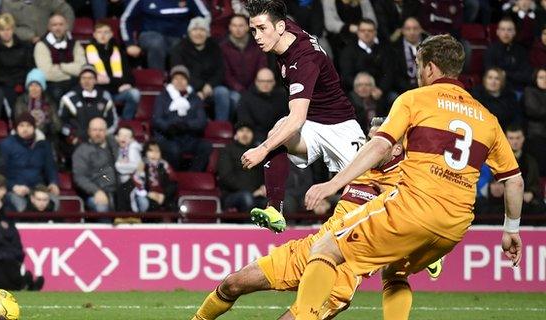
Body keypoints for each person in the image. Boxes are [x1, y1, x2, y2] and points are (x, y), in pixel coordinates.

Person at [294, 34, 523, 320]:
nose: (417, 73)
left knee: (325, 246)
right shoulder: (487, 118)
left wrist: (332, 183)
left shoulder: (414, 99)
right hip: (454, 227)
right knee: (395, 270)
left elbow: (380, 144)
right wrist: (511, 230)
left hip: (412, 211)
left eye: (418, 65)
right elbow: (514, 181)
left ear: (430, 68)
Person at [191, 117, 407, 319]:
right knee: (233, 283)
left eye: (378, 141)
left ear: (397, 148)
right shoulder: (358, 162)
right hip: (314, 248)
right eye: (370, 139)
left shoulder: (406, 183)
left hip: (343, 271)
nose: (370, 145)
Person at [239, 0, 366, 232]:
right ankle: (275, 211)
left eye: (262, 29)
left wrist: (262, 149)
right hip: (312, 123)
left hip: (340, 126)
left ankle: (421, 240)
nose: (257, 36)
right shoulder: (284, 29)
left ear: (279, 28)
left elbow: (296, 119)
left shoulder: (303, 61)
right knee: (278, 132)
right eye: (253, 30)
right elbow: (275, 11)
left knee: (375, 186)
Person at [119, 0, 211, 70]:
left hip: (178, 36)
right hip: (150, 34)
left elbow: (205, 16)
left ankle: (178, 82)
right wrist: (129, 44)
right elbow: (125, 19)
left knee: (180, 46)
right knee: (157, 43)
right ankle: (157, 81)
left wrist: (197, 34)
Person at [152, 65, 212, 171]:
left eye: (183, 79)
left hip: (189, 137)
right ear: (172, 81)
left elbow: (201, 121)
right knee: (173, 150)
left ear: (187, 81)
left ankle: (192, 176)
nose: (179, 82)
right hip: (169, 137)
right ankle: (174, 176)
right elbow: (157, 119)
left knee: (206, 146)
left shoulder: (194, 98)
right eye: (176, 79)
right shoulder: (163, 97)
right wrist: (169, 127)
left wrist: (186, 125)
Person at [170, 17, 231, 121]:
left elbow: (220, 71)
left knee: (223, 93)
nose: (198, 33)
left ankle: (220, 127)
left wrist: (210, 85)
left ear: (207, 33)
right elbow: (179, 73)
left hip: (211, 87)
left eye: (202, 30)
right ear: (189, 32)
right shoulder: (179, 48)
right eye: (195, 30)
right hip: (188, 87)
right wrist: (202, 87)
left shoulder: (215, 47)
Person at [0, 112, 60, 212]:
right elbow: (0, 173)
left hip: (38, 188)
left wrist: (53, 182)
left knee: (54, 202)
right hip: (15, 188)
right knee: (21, 205)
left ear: (34, 127)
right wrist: (13, 187)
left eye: (29, 125)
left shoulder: (43, 145)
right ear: (16, 128)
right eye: (21, 125)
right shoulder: (7, 144)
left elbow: (51, 167)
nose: (25, 129)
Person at [483, 124, 544, 216]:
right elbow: (491, 184)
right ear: (506, 140)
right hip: (502, 202)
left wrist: (531, 193)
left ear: (523, 138)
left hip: (526, 203)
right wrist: (494, 188)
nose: (515, 142)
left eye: (517, 138)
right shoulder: (497, 160)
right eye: (511, 138)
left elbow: (536, 184)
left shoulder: (531, 161)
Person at [86, 22, 141, 120]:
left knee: (135, 93)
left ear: (111, 34)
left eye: (106, 32)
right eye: (99, 32)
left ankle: (126, 122)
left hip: (119, 92)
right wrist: (118, 82)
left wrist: (110, 80)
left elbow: (129, 78)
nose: (103, 35)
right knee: (105, 95)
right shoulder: (88, 51)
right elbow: (95, 81)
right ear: (94, 35)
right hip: (100, 92)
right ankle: (109, 122)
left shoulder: (119, 51)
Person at [59, 64, 119, 143]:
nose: (86, 81)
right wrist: (72, 136)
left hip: (101, 141)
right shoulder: (68, 98)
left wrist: (104, 134)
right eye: (83, 78)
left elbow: (113, 121)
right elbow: (61, 122)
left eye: (90, 78)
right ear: (79, 80)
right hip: (78, 141)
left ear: (95, 80)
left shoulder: (105, 97)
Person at [34, 13, 86, 103]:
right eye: (54, 25)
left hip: (75, 82)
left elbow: (81, 68)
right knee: (56, 94)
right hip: (54, 84)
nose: (58, 28)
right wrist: (71, 72)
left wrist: (61, 66)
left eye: (61, 24)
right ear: (49, 27)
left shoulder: (75, 44)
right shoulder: (41, 45)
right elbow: (47, 73)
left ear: (66, 26)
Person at [220, 14, 268, 109]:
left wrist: (253, 88)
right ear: (230, 27)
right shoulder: (223, 47)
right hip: (233, 90)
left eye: (241, 26)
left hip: (255, 88)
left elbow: (262, 68)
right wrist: (241, 90)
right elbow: (226, 74)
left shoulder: (257, 46)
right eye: (234, 26)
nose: (238, 29)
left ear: (247, 27)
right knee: (238, 99)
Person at [72, 117, 118, 213]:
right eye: (94, 130)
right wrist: (96, 191)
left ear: (106, 131)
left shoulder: (114, 145)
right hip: (96, 192)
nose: (97, 133)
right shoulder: (81, 151)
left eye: (101, 130)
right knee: (102, 207)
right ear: (89, 132)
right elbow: (80, 177)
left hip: (118, 190)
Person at [218, 123, 266, 212]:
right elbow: (226, 177)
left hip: (257, 194)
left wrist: (264, 187)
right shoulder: (227, 150)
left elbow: (263, 173)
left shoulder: (257, 152)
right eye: (241, 131)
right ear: (236, 134)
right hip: (232, 195)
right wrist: (252, 192)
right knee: (247, 198)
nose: (245, 134)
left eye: (248, 131)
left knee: (272, 202)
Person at [339, 19, 394, 97]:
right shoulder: (348, 51)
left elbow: (389, 73)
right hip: (355, 91)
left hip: (379, 91)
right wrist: (362, 88)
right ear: (358, 32)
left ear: (375, 32)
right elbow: (346, 75)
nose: (366, 33)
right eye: (363, 30)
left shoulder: (384, 50)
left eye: (370, 30)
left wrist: (381, 89)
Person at [0, 13, 34, 108]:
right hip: (2, 84)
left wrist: (22, 82)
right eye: (2, 30)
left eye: (8, 29)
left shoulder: (24, 46)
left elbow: (29, 66)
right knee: (10, 95)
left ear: (13, 29)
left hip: (23, 81)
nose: (6, 33)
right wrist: (13, 84)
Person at [236, 68, 289, 144]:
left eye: (269, 81)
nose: (265, 84)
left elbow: (285, 120)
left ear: (274, 82)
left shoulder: (282, 97)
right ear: (256, 82)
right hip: (255, 140)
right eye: (262, 81)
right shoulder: (246, 99)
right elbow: (246, 124)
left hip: (277, 137)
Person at [321, 0, 377, 66]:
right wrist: (350, 28)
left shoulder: (363, 1)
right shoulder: (329, 2)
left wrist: (363, 29)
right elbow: (330, 24)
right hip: (339, 38)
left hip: (363, 34)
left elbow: (373, 21)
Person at [484, 17, 533, 91]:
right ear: (498, 32)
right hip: (498, 90)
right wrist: (514, 75)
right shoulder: (491, 50)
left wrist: (505, 73)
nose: (506, 33)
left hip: (518, 89)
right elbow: (491, 74)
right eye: (503, 29)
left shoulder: (521, 50)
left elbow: (526, 75)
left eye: (509, 30)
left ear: (514, 32)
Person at [14, 69, 61, 143]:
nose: (34, 89)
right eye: (31, 85)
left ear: (42, 88)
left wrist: (47, 124)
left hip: (47, 136)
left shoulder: (49, 101)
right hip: (26, 136)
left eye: (37, 85)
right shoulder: (21, 101)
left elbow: (58, 126)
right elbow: (19, 121)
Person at [131, 140, 177, 212]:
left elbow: (173, 183)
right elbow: (137, 184)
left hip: (163, 196)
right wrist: (148, 193)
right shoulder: (142, 164)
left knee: (173, 206)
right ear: (146, 153)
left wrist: (164, 195)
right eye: (151, 151)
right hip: (147, 195)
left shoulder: (165, 165)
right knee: (149, 204)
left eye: (157, 151)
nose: (154, 154)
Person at [0, 0, 75, 44]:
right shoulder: (7, 2)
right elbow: (6, 25)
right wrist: (29, 36)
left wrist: (65, 31)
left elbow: (66, 10)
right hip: (20, 43)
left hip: (48, 41)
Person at [392, 17, 425, 94]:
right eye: (408, 29)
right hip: (402, 90)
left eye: (415, 29)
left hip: (424, 88)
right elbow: (395, 74)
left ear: (420, 30)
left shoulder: (429, 46)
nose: (412, 32)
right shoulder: (395, 48)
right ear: (403, 31)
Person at [114, 127, 143, 212]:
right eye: (121, 135)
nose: (123, 138)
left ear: (132, 139)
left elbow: (135, 166)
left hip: (135, 179)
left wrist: (118, 165)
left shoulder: (133, 148)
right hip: (124, 179)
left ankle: (134, 217)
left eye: (126, 136)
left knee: (126, 194)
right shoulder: (119, 149)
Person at [524, 68, 546, 176]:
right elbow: (534, 111)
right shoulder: (530, 91)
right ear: (535, 79)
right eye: (541, 77)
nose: (544, 80)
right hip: (536, 135)